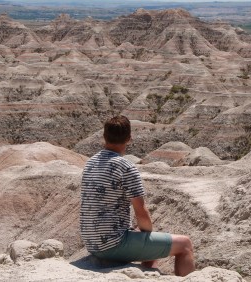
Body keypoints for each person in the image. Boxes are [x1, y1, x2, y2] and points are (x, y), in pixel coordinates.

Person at [80, 115, 195, 276]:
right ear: (129, 138)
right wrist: (146, 233)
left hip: (91, 243)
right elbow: (141, 212)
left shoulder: (90, 163)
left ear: (104, 136)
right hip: (112, 245)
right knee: (184, 244)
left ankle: (150, 274)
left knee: (147, 239)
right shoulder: (126, 167)